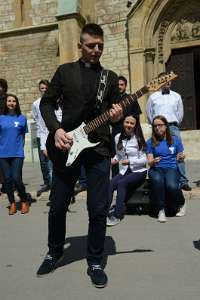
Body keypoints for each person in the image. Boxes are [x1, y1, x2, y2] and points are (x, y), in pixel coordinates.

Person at [37, 23, 123, 288]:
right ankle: (54, 251)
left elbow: (117, 117)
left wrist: (118, 117)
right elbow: (46, 103)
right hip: (66, 146)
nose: (96, 50)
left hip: (98, 150)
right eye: (91, 45)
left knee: (98, 208)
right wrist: (56, 130)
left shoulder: (109, 78)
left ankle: (95, 262)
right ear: (80, 46)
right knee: (59, 205)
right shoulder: (65, 72)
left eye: (100, 46)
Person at [146, 72, 192, 191]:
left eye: (169, 79)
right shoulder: (153, 97)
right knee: (158, 151)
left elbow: (180, 114)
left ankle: (183, 181)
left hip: (172, 126)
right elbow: (149, 114)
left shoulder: (176, 96)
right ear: (159, 81)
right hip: (158, 127)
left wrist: (172, 124)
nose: (167, 82)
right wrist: (157, 125)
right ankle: (160, 175)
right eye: (164, 79)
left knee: (179, 154)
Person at [107, 114, 147, 226]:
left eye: (132, 123)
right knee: (110, 184)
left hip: (139, 171)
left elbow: (144, 160)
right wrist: (112, 160)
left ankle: (117, 215)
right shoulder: (117, 137)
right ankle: (103, 212)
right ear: (123, 123)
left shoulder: (138, 138)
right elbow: (119, 155)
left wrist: (130, 161)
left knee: (121, 183)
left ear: (135, 125)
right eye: (127, 122)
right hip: (124, 170)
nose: (129, 125)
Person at [146, 115, 186, 223]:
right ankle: (161, 210)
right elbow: (149, 161)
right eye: (155, 126)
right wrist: (153, 161)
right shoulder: (150, 142)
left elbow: (181, 155)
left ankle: (182, 202)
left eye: (160, 125)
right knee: (158, 181)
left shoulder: (175, 140)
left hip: (171, 168)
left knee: (171, 186)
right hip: (156, 169)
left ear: (166, 126)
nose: (157, 128)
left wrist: (181, 157)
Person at [0, 94, 30, 215]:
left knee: (17, 179)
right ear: (6, 103)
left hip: (17, 153)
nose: (11, 103)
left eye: (13, 101)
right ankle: (12, 203)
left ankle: (24, 201)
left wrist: (20, 149)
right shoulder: (1, 118)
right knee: (7, 179)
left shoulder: (22, 118)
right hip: (3, 154)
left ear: (16, 103)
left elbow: (22, 136)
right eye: (9, 101)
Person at [111, 75, 142, 177]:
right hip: (116, 131)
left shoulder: (131, 98)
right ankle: (116, 179)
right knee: (116, 156)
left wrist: (138, 133)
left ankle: (131, 177)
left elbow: (137, 117)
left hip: (130, 132)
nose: (119, 86)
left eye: (122, 84)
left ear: (125, 86)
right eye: (118, 85)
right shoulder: (112, 100)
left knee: (132, 154)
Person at [32, 80, 52, 197]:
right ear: (39, 89)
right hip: (41, 134)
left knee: (52, 161)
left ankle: (53, 182)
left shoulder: (52, 102)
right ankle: (47, 182)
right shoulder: (36, 103)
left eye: (46, 88)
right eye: (42, 88)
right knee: (43, 161)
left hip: (52, 134)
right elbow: (35, 118)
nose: (44, 90)